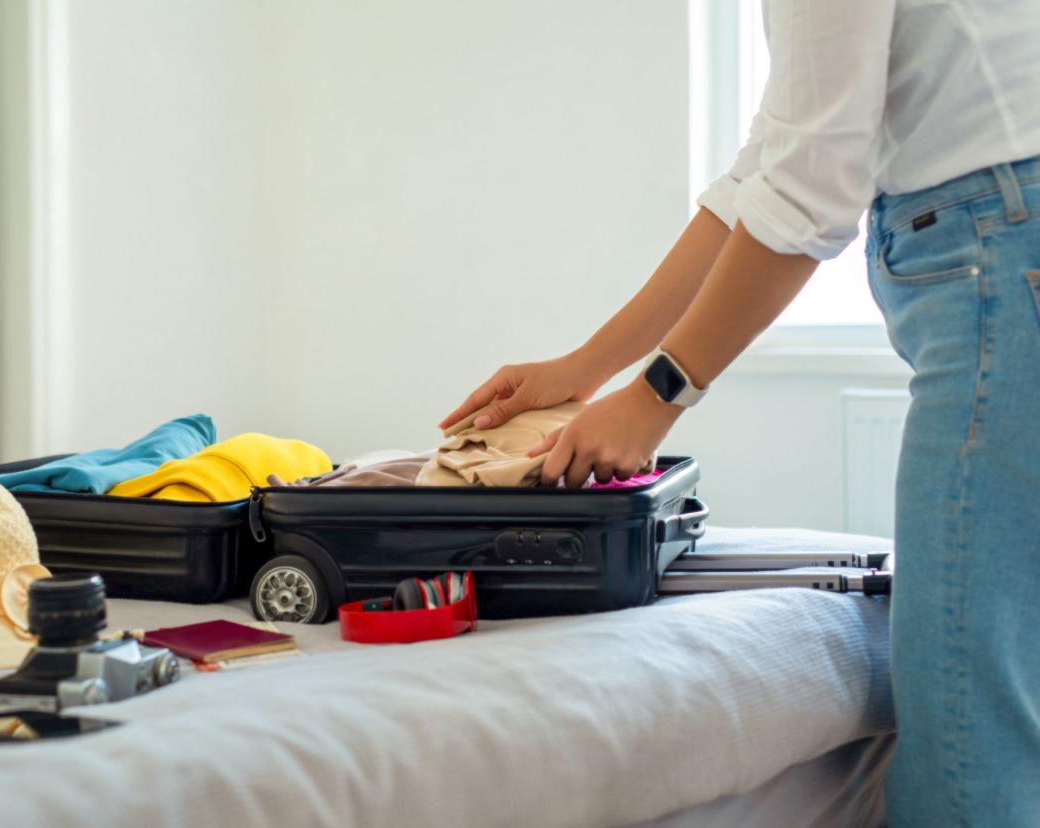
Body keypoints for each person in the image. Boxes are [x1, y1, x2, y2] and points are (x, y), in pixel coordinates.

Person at [439, 2, 1040, 825]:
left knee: (967, 714)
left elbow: (810, 183)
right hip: (1002, 244)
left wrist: (660, 394)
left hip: (1001, 260)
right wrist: (587, 369)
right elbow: (766, 168)